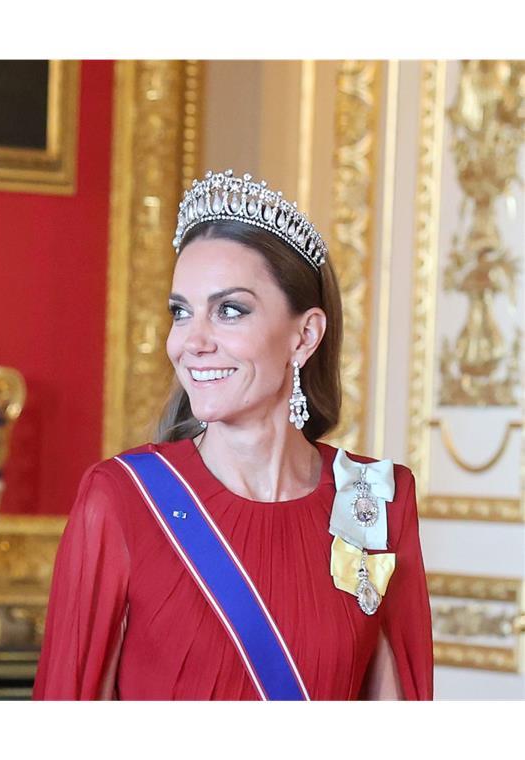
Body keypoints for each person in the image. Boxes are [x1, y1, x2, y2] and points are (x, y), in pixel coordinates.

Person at [34, 170, 433, 700]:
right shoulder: (122, 498)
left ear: (305, 334)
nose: (192, 341)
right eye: (181, 312)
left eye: (229, 310)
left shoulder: (376, 497)